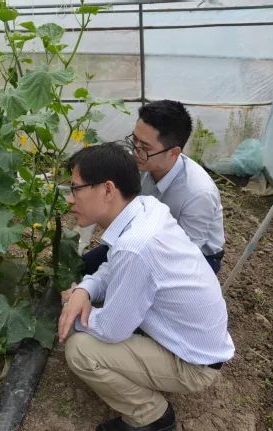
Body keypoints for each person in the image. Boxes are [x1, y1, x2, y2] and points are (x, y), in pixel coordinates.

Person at [58, 143, 234, 431]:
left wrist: (72, 312)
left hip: (194, 365)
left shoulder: (136, 247)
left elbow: (112, 330)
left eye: (76, 188)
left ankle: (150, 416)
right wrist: (85, 290)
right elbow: (112, 265)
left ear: (107, 190)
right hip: (200, 341)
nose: (70, 199)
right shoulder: (144, 209)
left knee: (80, 350)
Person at [82, 100, 225, 275]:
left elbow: (184, 257)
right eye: (134, 140)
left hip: (197, 257)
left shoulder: (198, 193)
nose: (135, 151)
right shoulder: (141, 165)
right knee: (82, 268)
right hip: (143, 238)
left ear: (173, 153)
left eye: (145, 147)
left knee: (132, 285)